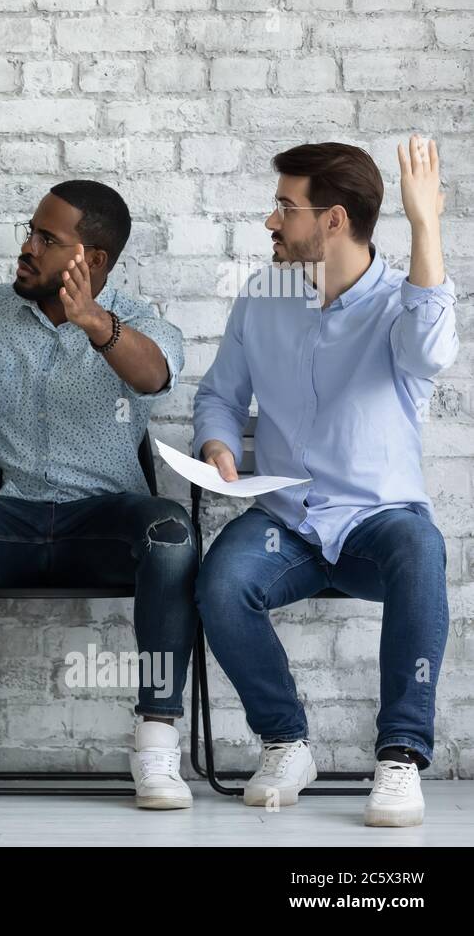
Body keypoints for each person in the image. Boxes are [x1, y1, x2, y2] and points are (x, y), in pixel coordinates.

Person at [194, 137, 458, 827]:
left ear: (333, 220)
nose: (270, 221)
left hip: (377, 522)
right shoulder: (263, 296)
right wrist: (218, 441)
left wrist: (426, 225)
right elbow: (219, 394)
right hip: (287, 520)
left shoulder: (403, 305)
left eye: (286, 207)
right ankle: (285, 740)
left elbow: (433, 349)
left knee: (421, 551)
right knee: (221, 583)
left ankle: (400, 757)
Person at [0, 180, 195, 812]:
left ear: (91, 261)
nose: (27, 247)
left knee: (172, 531)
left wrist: (95, 322)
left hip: (102, 524)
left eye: (47, 238)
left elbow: (155, 376)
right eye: (29, 231)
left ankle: (156, 744)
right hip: (3, 521)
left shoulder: (139, 320)